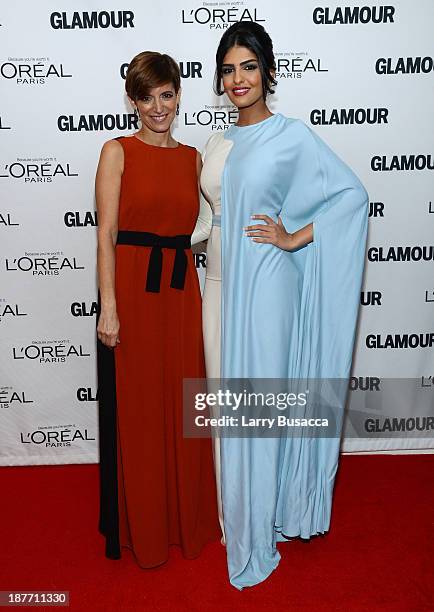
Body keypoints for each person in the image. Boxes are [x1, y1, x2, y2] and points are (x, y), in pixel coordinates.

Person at [200, 22, 368, 589]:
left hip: (269, 282)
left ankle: (263, 523)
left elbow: (352, 195)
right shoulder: (217, 140)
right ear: (219, 80)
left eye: (248, 66)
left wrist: (295, 237)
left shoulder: (291, 134)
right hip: (219, 280)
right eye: (228, 69)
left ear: (268, 72)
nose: (238, 78)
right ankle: (241, 514)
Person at [96, 51, 220, 568]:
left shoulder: (193, 158)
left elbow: (211, 224)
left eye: (166, 95)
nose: (157, 107)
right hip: (132, 292)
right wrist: (109, 307)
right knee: (142, 412)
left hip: (180, 294)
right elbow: (105, 234)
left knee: (184, 408)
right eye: (146, 98)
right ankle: (142, 527)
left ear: (178, 96)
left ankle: (183, 519)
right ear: (132, 101)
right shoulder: (116, 151)